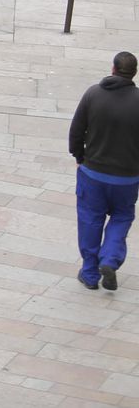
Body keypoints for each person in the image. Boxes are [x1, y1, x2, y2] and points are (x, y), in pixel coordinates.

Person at [69, 52, 139, 291]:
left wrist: (80, 157)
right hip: (127, 178)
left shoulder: (93, 94)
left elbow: (76, 131)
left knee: (90, 219)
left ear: (113, 69)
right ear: (134, 73)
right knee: (121, 218)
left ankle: (90, 273)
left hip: (93, 174)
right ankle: (109, 260)